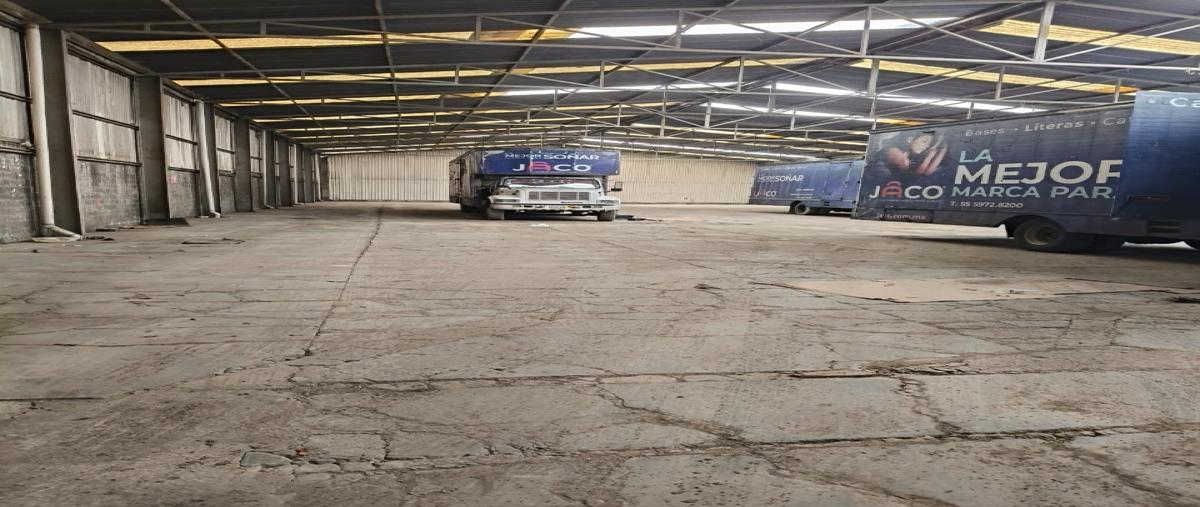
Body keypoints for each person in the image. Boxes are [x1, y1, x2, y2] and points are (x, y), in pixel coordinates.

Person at [873, 132, 948, 184]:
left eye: (929, 144)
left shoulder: (912, 155)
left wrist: (941, 151)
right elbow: (917, 174)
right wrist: (929, 158)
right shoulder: (894, 151)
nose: (927, 146)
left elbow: (926, 172)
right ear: (910, 140)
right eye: (924, 141)